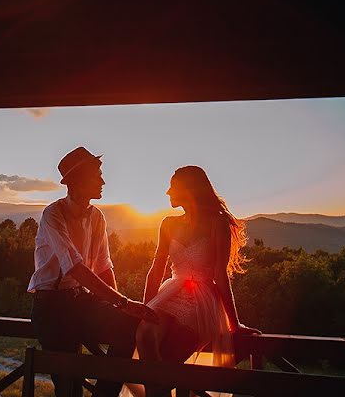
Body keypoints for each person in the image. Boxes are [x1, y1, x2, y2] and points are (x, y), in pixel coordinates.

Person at [28, 146, 160, 397]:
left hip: (82, 302)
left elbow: (103, 267)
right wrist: (122, 301)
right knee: (69, 387)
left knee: (131, 324)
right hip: (51, 307)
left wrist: (119, 307)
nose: (103, 181)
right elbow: (74, 266)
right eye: (97, 175)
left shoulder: (97, 217)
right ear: (77, 181)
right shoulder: (53, 214)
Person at [136, 166, 260, 397]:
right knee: (145, 333)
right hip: (170, 293)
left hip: (202, 298)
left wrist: (235, 325)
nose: (167, 191)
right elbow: (156, 269)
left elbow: (221, 276)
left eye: (173, 186)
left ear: (189, 189)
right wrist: (146, 308)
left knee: (170, 358)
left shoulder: (217, 223)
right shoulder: (168, 224)